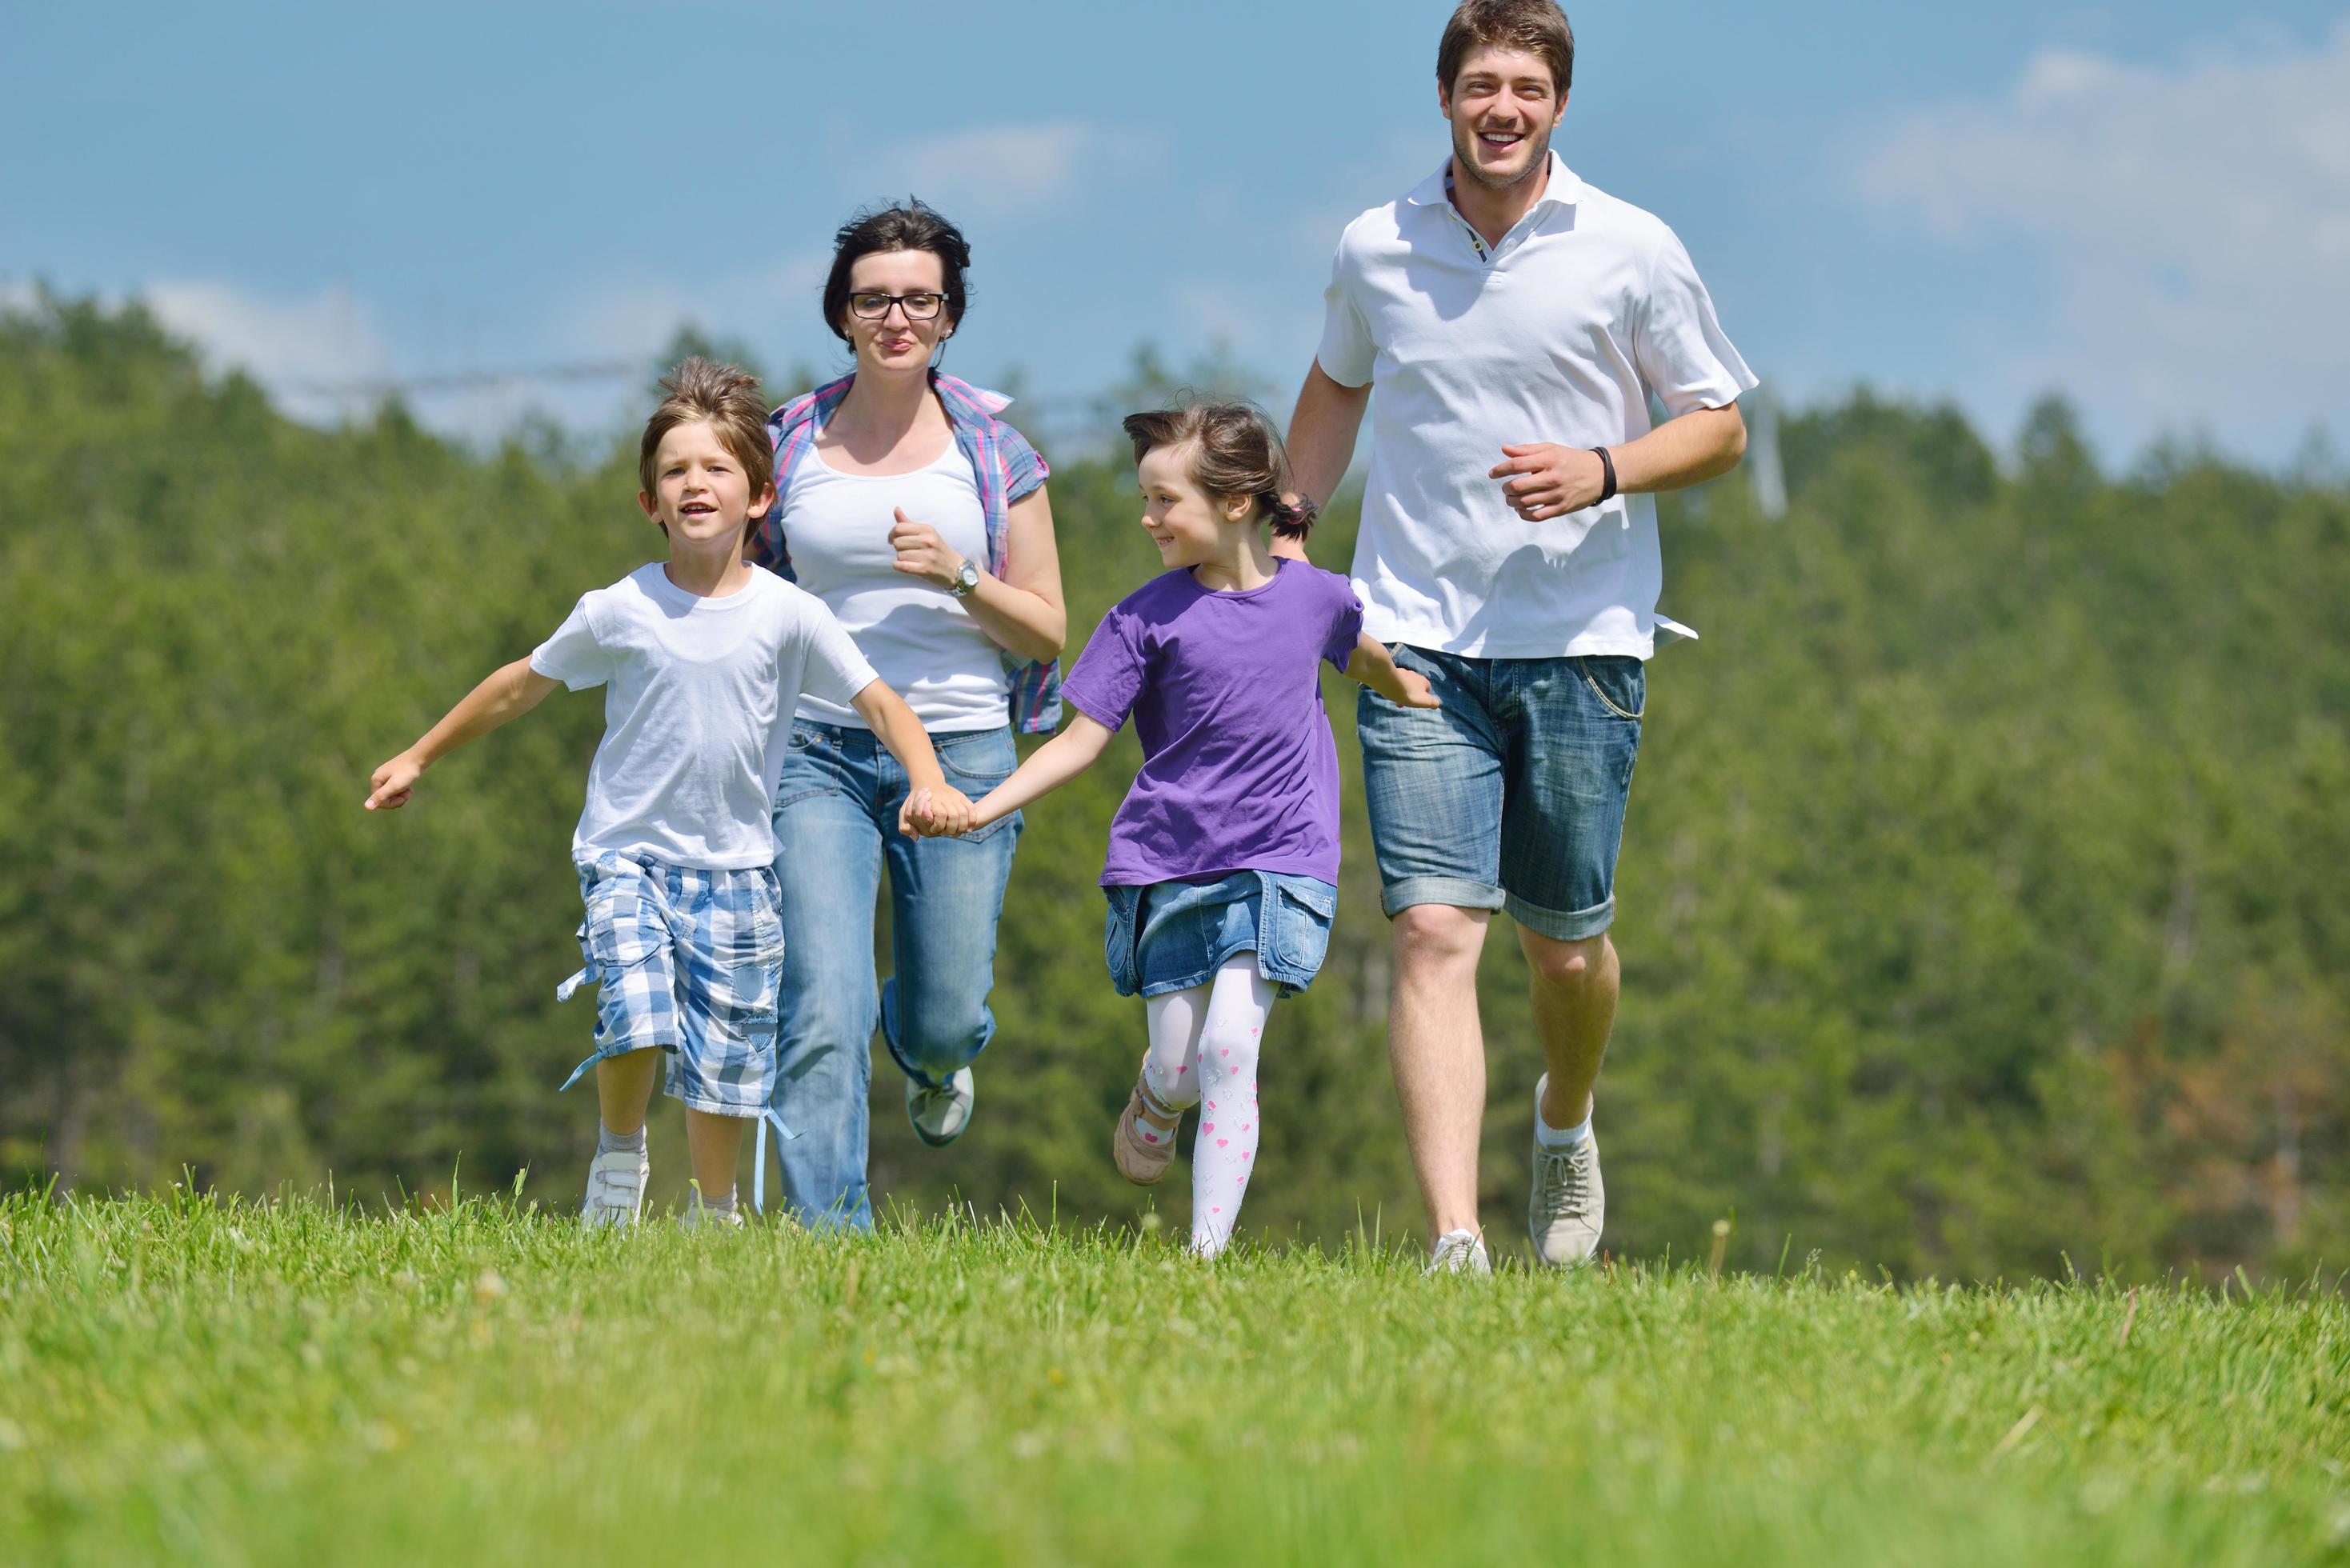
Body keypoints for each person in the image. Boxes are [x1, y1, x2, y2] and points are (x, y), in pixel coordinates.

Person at [1282, 0, 1756, 1273]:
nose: (1502, 108)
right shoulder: (1376, 246)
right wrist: (1288, 524)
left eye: (1526, 89)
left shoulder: (1630, 246)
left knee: (1566, 948)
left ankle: (1564, 1116)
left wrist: (1603, 468)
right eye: (1480, 83)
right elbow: (1337, 385)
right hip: (1413, 633)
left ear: (1557, 106)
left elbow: (1717, 425)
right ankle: (1454, 1238)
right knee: (1434, 930)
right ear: (1444, 97)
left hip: (1582, 636)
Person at [365, 359, 970, 1228]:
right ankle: (618, 1155)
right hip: (629, 857)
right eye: (675, 471)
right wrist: (420, 754)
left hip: (738, 869)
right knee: (639, 1017)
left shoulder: (789, 614)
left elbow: (880, 701)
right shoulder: (621, 608)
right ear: (650, 502)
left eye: (717, 468)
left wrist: (928, 776)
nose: (696, 484)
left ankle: (714, 1208)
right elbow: (519, 684)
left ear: (759, 496)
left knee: (726, 1063)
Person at [923, 403, 1436, 1258]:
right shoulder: (1141, 619)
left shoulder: (1317, 598)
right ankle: (1157, 1099)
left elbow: (1361, 649)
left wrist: (1402, 685)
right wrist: (982, 806)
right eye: (1146, 498)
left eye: (1165, 500)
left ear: (1236, 501)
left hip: (1281, 857)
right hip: (1169, 862)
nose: (1147, 516)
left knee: (1233, 1045)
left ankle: (1205, 1256)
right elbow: (1080, 741)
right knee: (1180, 1063)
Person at [751, 202, 1068, 1230]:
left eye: (919, 299)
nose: (897, 316)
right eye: (875, 297)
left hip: (967, 747)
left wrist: (960, 574)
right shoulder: (787, 442)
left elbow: (1048, 632)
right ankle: (827, 1238)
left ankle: (932, 1058)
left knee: (940, 1018)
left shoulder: (994, 449)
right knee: (822, 1004)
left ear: (949, 316)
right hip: (818, 751)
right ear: (843, 313)